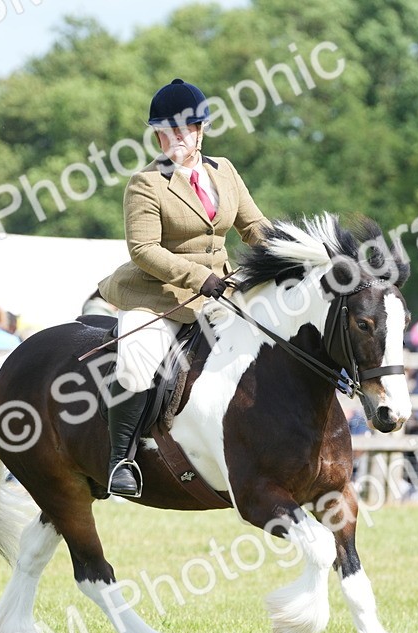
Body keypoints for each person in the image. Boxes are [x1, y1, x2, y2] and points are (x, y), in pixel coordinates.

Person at [96, 78, 269, 497]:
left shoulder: (224, 171)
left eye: (180, 130)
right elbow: (143, 250)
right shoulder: (146, 182)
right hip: (158, 297)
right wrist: (198, 278)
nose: (171, 138)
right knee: (136, 361)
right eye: (163, 131)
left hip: (221, 293)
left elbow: (254, 227)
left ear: (199, 130)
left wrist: (290, 253)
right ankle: (121, 459)